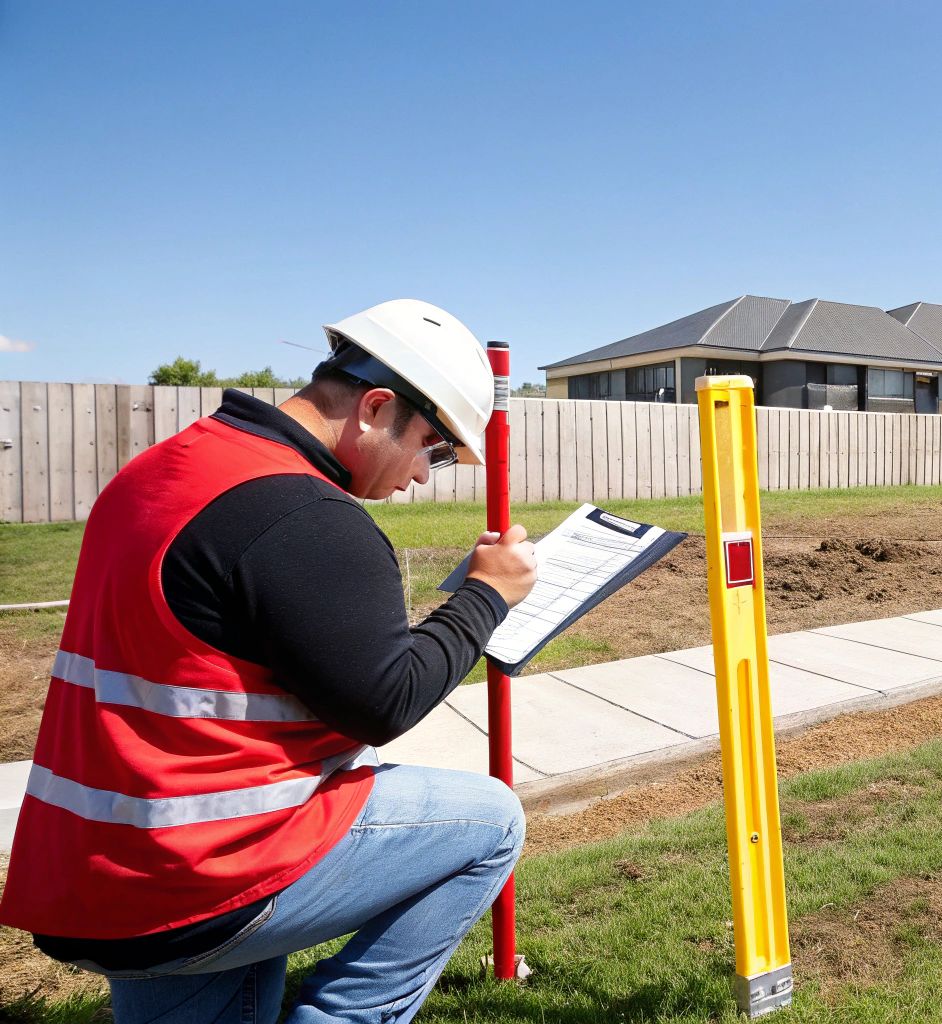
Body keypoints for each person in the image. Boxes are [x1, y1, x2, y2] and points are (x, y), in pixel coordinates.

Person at [0, 299, 540, 1024]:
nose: (425, 475)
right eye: (434, 447)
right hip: (202, 871)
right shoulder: (305, 517)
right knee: (491, 821)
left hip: (102, 874)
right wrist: (487, 595)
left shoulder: (169, 467)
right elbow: (387, 700)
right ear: (377, 407)